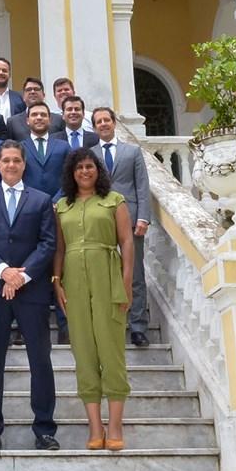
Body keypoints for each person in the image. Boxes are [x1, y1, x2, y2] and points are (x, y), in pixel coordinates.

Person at [0, 140, 59, 451]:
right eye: (5, 160)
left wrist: (21, 276)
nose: (10, 165)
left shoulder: (42, 200)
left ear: (24, 164)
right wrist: (4, 271)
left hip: (31, 290)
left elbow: (48, 243)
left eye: (16, 161)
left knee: (40, 360)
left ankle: (45, 429)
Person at [53, 149, 134, 451]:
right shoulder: (62, 206)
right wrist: (56, 282)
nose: (85, 172)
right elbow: (59, 250)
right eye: (79, 168)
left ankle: (114, 425)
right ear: (71, 173)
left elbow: (126, 242)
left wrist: (126, 282)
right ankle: (94, 427)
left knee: (111, 352)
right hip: (73, 282)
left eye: (90, 167)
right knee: (84, 353)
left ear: (97, 170)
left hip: (107, 277)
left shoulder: (114, 201)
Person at [91, 107, 151, 347]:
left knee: (134, 272)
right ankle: (110, 324)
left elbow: (143, 186)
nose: (103, 124)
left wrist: (144, 217)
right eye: (99, 122)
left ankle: (137, 326)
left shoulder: (133, 151)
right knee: (104, 274)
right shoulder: (89, 154)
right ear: (94, 127)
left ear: (114, 123)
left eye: (107, 120)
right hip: (101, 219)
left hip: (132, 216)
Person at [20, 102, 71, 199]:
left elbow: (70, 176)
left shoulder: (64, 146)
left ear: (50, 120)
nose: (39, 117)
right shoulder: (19, 148)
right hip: (29, 203)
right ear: (27, 120)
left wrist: (56, 201)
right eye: (34, 114)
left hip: (60, 204)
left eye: (43, 115)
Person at [7, 78, 64, 142]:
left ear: (43, 95)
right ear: (23, 97)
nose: (32, 92)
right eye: (28, 89)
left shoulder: (58, 119)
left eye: (36, 89)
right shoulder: (12, 122)